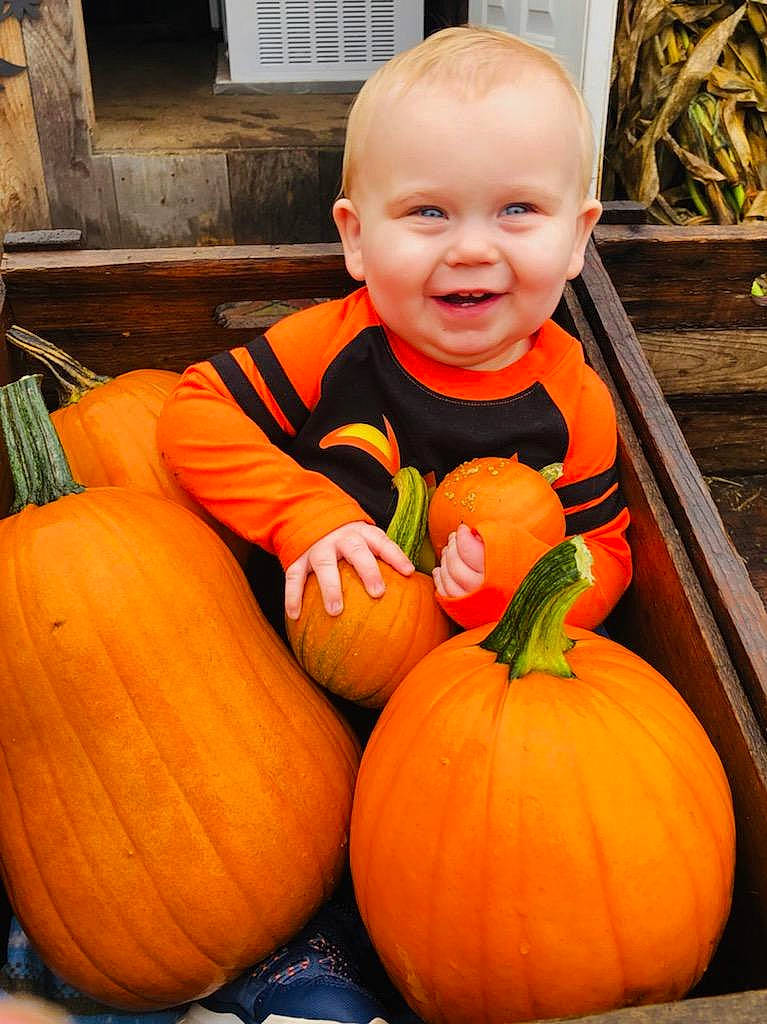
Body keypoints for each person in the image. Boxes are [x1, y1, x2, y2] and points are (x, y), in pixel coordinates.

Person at [157, 23, 633, 1024]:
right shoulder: (336, 347)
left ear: (577, 234)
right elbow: (191, 415)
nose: (470, 245)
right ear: (354, 234)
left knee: (458, 861)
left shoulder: (571, 401)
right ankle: (286, 967)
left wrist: (510, 600)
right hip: (292, 687)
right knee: (247, 830)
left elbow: (606, 553)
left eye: (517, 209)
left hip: (457, 736)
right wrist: (304, 514)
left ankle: (353, 968)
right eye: (425, 212)